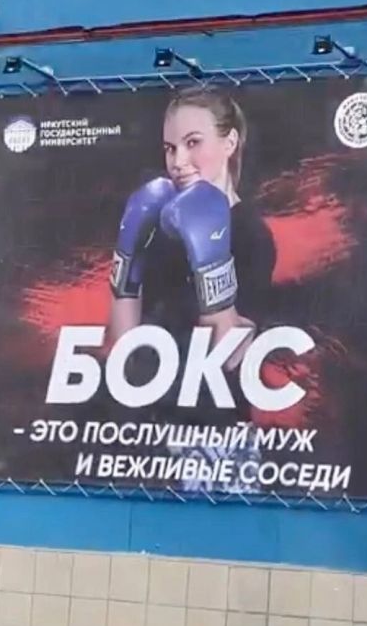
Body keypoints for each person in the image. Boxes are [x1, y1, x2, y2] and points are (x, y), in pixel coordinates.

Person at [106, 83, 276, 410]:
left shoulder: (251, 234)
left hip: (213, 425)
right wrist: (127, 260)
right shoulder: (157, 221)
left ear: (230, 142)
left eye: (193, 143)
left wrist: (210, 256)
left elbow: (232, 356)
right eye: (170, 148)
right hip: (149, 414)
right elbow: (123, 346)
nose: (178, 161)